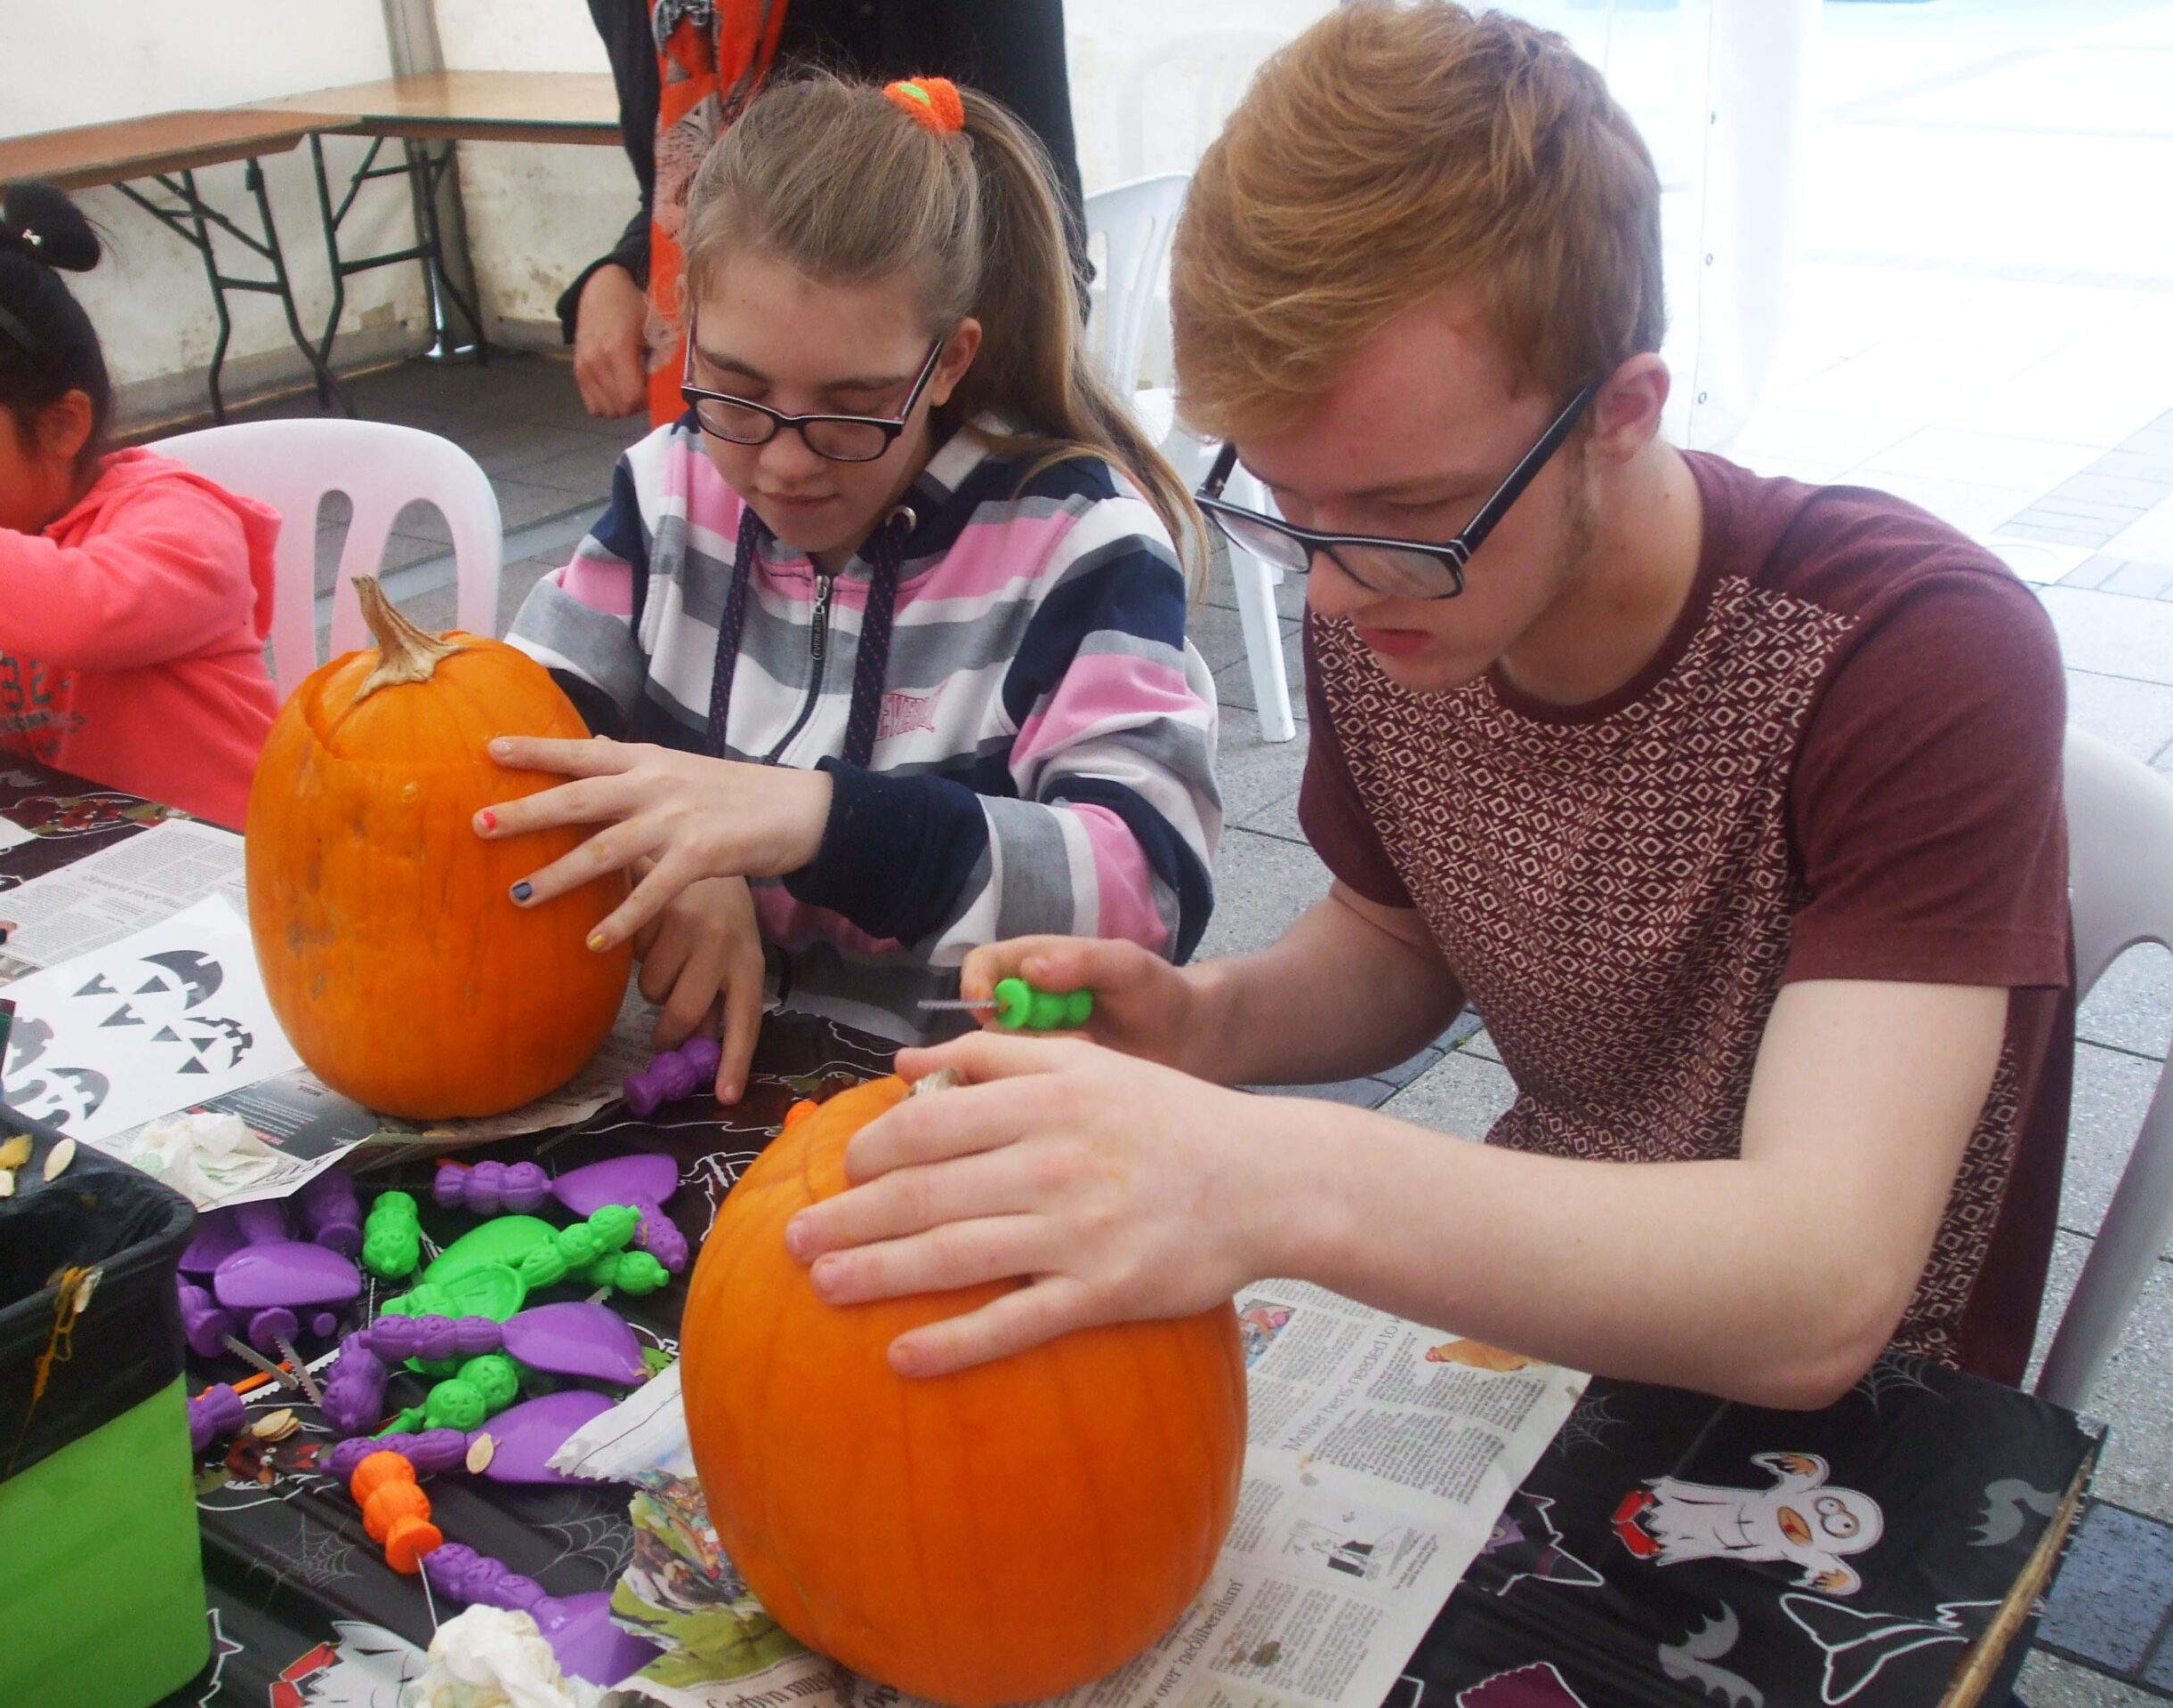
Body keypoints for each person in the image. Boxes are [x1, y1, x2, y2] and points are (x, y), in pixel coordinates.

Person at [775, 4, 2074, 1410]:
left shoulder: (1910, 655)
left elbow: (1816, 1288)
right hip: (1531, 1312)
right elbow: (1404, 940)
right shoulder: (1403, 593)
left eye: (1405, 511)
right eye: (1289, 503)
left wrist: (1286, 1177)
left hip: (1849, 1424)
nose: (1330, 598)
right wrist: (1206, 1026)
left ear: (1623, 411)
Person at [488, 76, 1220, 1107]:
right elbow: (506, 753)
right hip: (682, 1098)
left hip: (957, 1115)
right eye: (737, 391)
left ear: (949, 361)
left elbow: (1146, 892)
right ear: (689, 326)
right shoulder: (666, 493)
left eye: (853, 407)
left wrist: (818, 823)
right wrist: (684, 862)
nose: (784, 462)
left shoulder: (1077, 548)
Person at [562, 0, 1085, 427]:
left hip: (923, 428)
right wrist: (624, 271)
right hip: (722, 411)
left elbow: (1042, 233)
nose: (786, 467)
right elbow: (682, 178)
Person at [0, 184, 280, 828]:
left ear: (60, 426)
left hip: (239, 868)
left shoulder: (180, 521)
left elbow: (87, 612)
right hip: (55, 867)